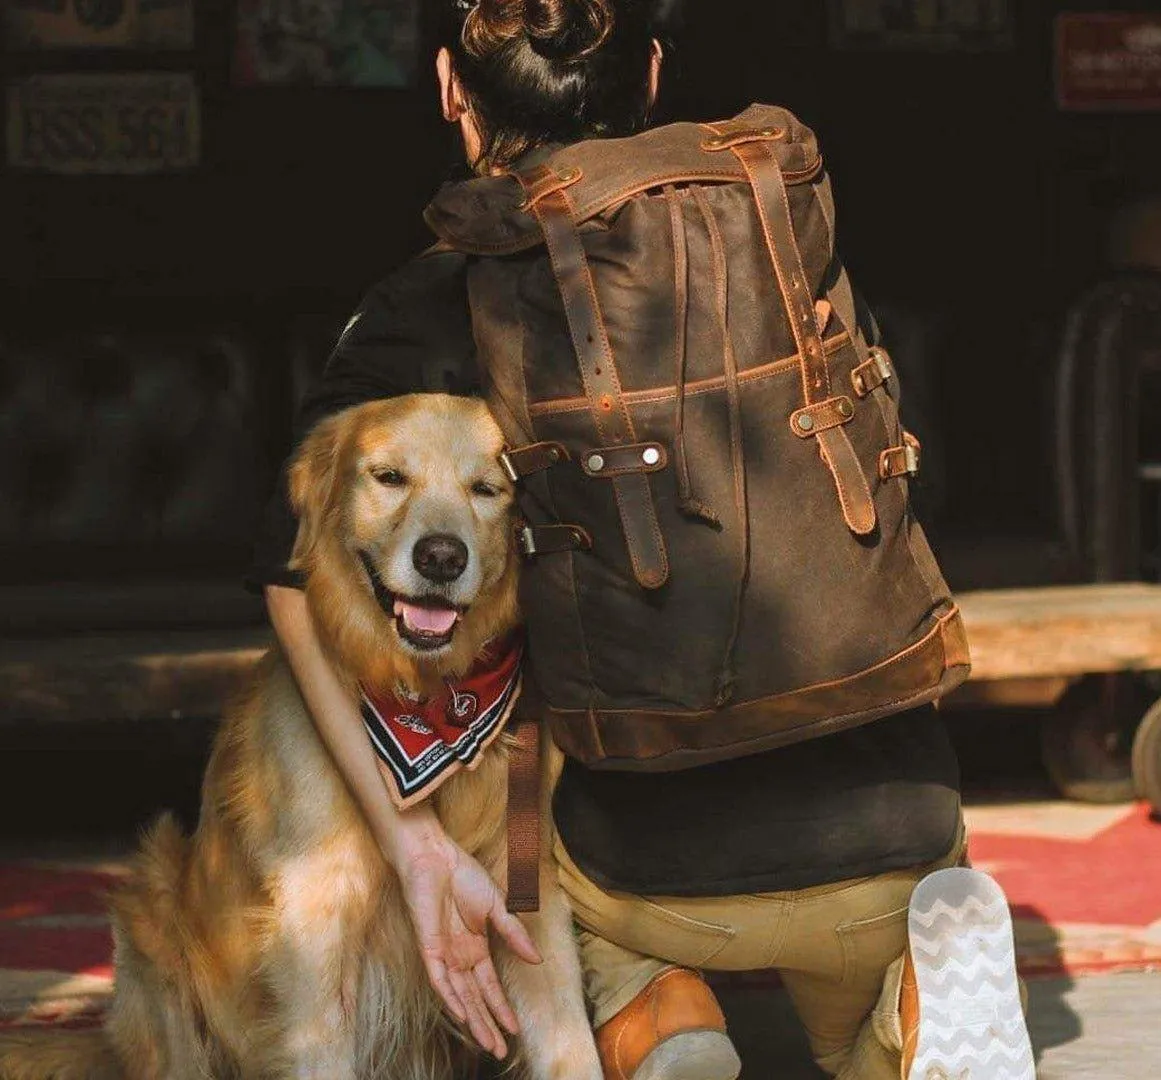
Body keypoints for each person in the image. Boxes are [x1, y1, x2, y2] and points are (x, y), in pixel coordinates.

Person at [252, 2, 1030, 1078]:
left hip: (645, 858)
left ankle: (661, 1019)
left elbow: (291, 575)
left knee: (565, 875)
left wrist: (413, 842)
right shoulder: (780, 233)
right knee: (866, 992)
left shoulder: (441, 291)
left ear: (448, 91)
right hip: (896, 817)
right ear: (654, 76)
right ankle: (908, 1010)